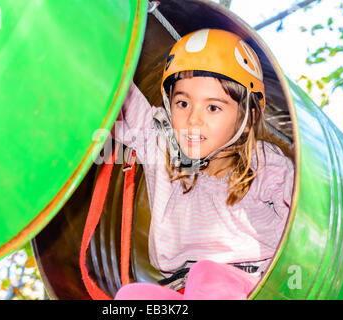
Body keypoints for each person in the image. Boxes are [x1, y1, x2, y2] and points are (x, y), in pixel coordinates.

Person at [111, 29, 294, 300]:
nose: (193, 120)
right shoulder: (163, 144)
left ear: (249, 117)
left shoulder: (266, 166)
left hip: (256, 284)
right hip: (185, 288)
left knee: (208, 276)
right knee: (131, 296)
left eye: (213, 108)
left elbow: (303, 227)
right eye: (183, 103)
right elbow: (115, 101)